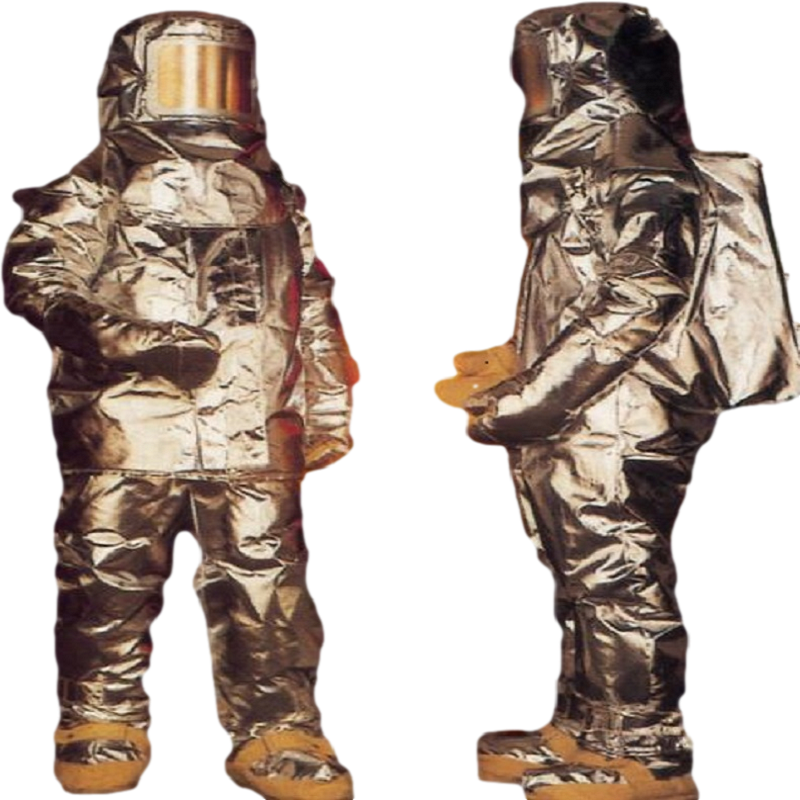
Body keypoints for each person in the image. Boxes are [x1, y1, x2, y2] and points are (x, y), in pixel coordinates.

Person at [438, 4, 800, 798]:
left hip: (617, 420)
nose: (537, 102)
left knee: (618, 578)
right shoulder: (596, 176)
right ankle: (587, 727)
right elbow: (587, 300)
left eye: (547, 80)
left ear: (589, 78)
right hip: (588, 416)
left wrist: (530, 398)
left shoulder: (639, 174)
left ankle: (645, 753)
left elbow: (638, 300)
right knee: (584, 578)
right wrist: (517, 363)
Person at [3, 12, 357, 800]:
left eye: (221, 71)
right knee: (108, 577)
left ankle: (278, 727)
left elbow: (310, 301)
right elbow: (38, 280)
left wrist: (327, 405)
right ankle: (99, 717)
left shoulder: (273, 194)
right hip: (127, 430)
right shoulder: (96, 186)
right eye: (183, 70)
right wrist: (133, 342)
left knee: (268, 589)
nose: (205, 92)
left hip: (254, 429)